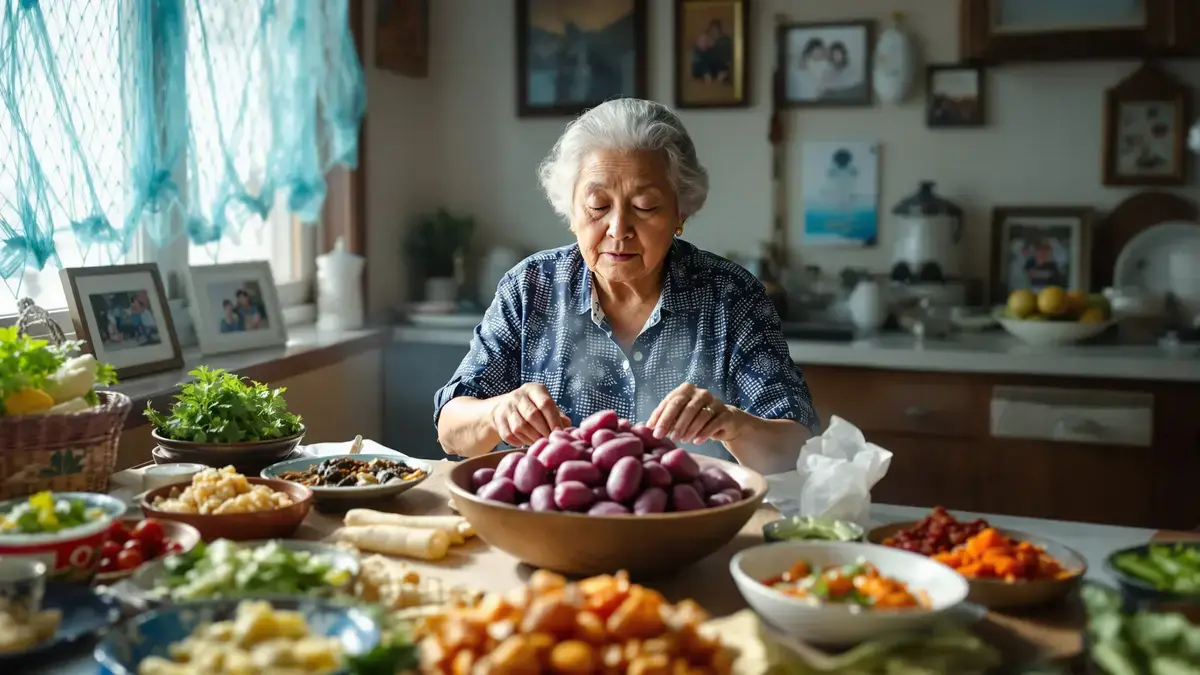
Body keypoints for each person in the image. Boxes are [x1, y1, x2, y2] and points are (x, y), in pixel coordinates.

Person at [434, 99, 818, 476]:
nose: (618, 229)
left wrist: (734, 424)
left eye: (646, 206)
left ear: (680, 212)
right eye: (598, 206)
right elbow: (451, 430)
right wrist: (495, 412)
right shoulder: (530, 288)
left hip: (691, 527)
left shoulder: (730, 296)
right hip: (550, 527)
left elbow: (796, 450)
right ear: (571, 211)